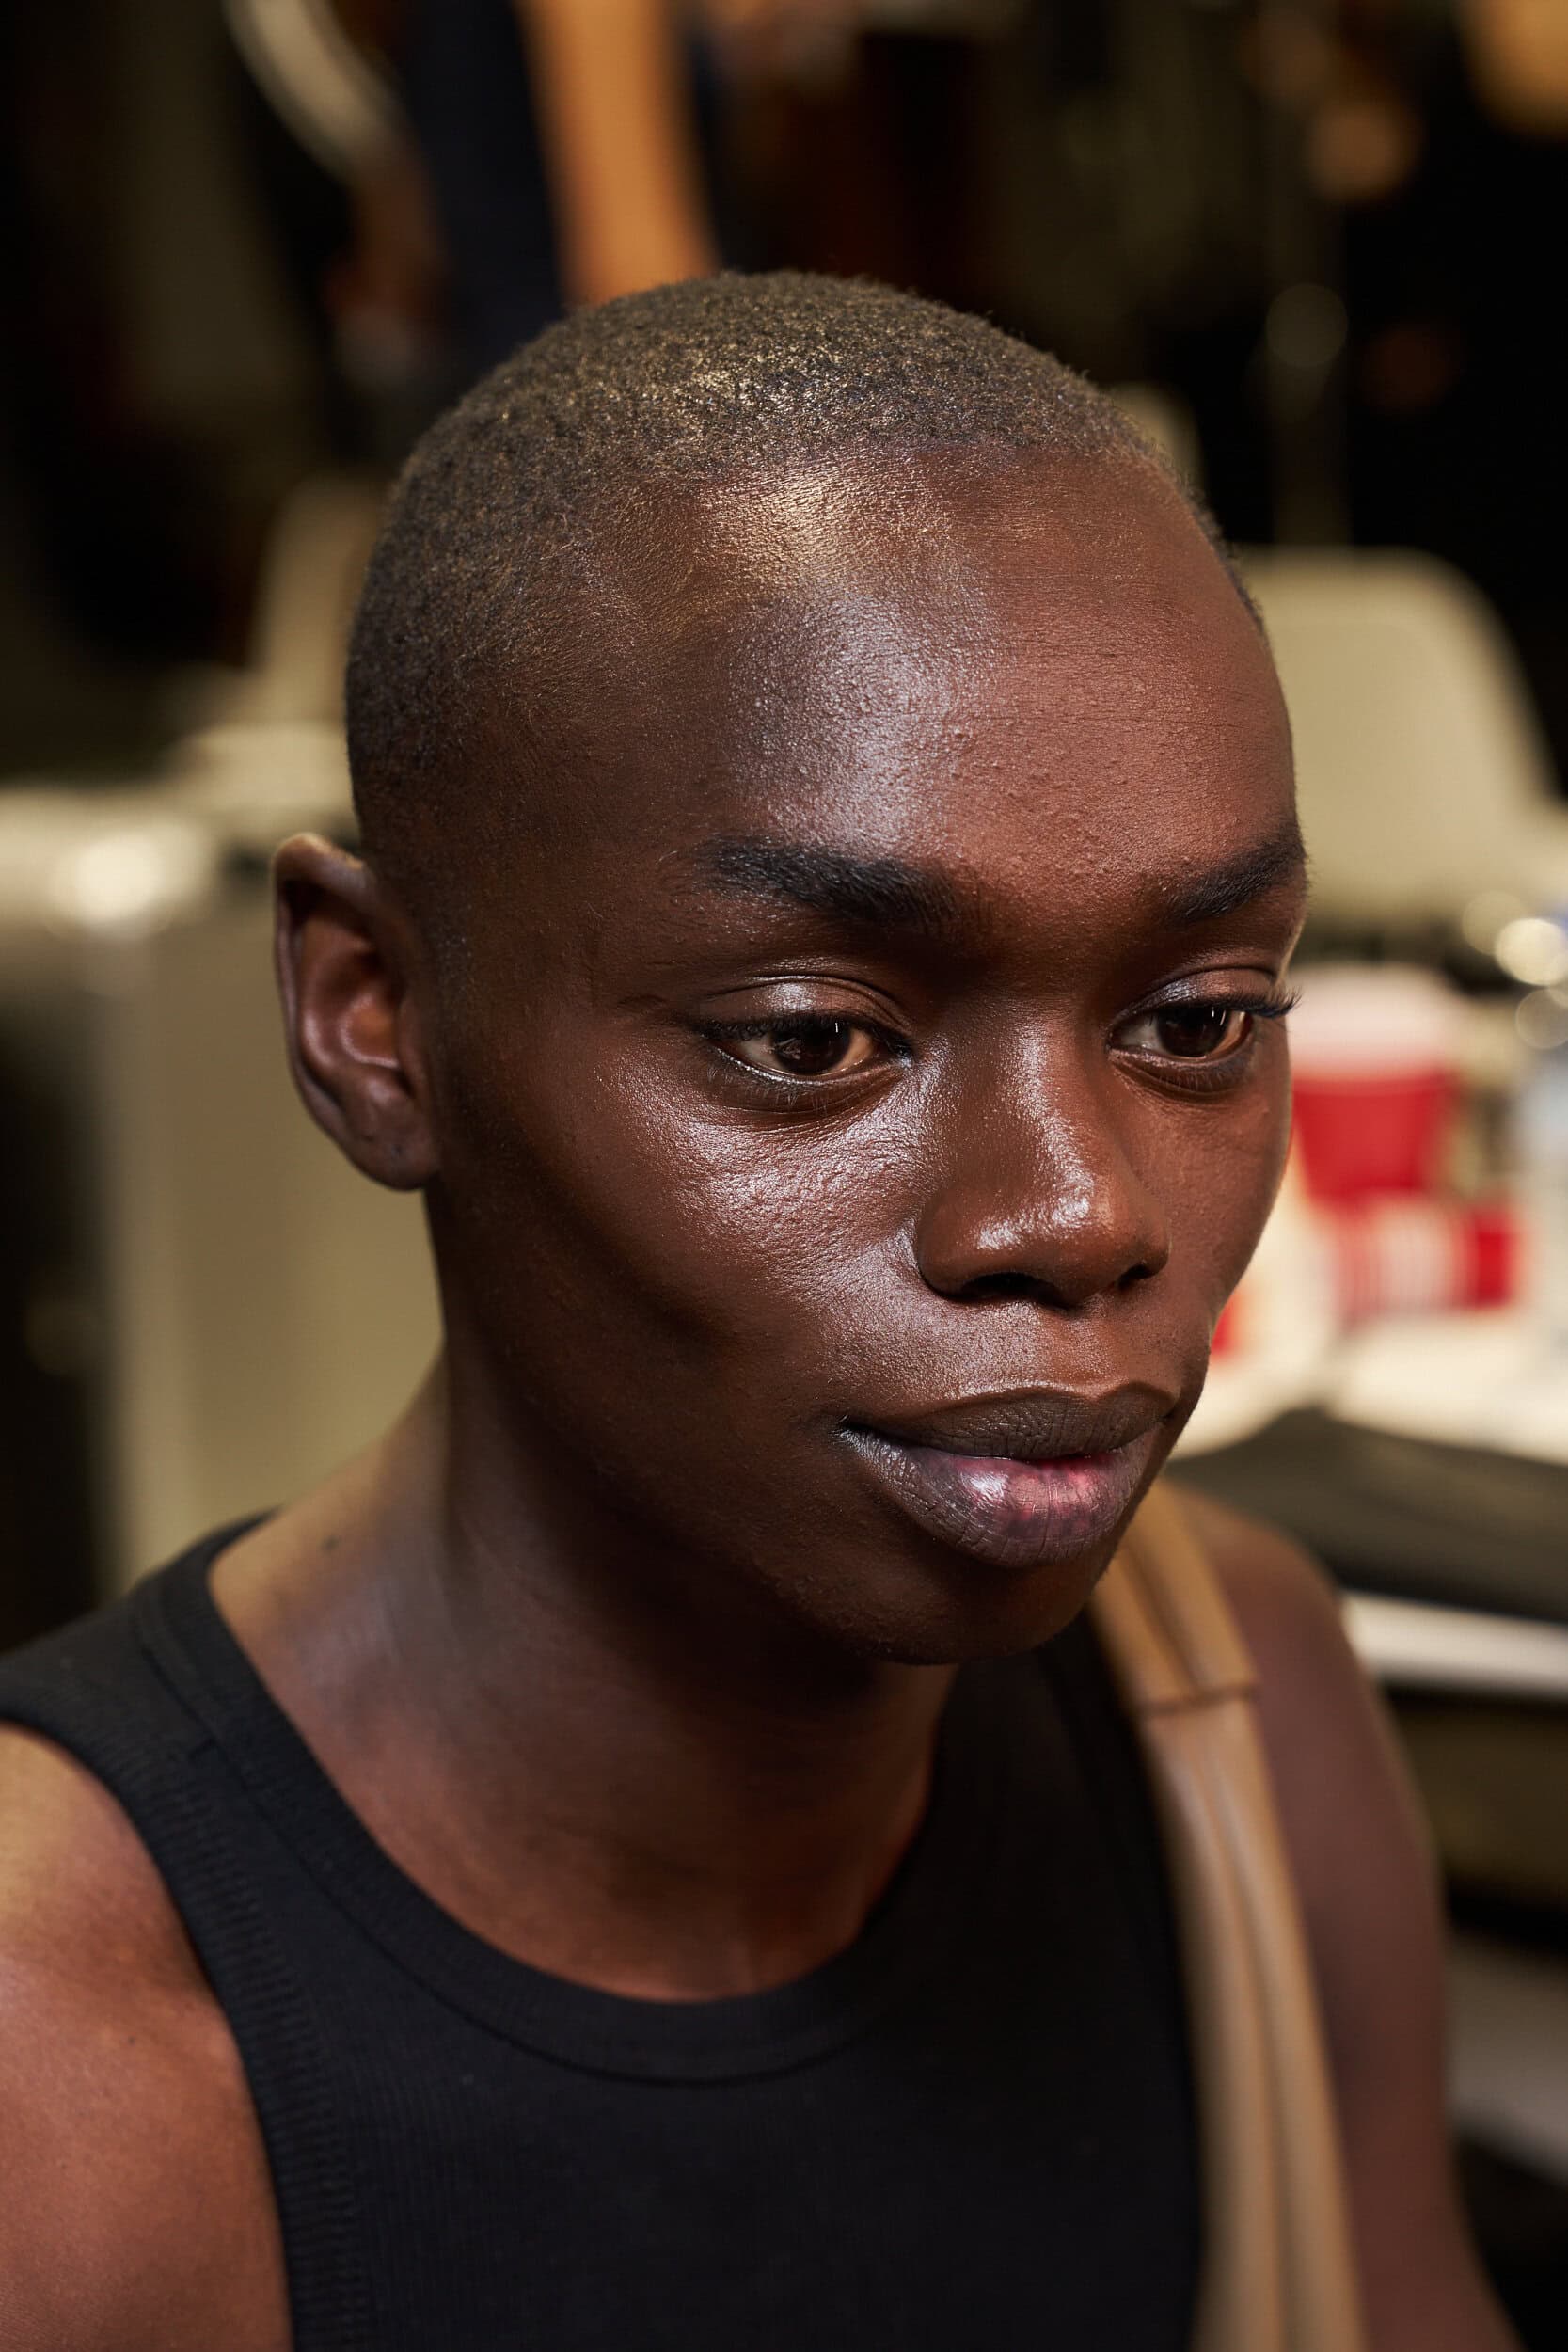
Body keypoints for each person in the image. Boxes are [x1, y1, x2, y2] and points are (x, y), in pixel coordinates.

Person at [0, 275, 1514, 2351]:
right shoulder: (60, 2049)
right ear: (376, 1017)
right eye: (814, 1042)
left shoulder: (1231, 1718)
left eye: (1195, 1018)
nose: (1072, 1213)